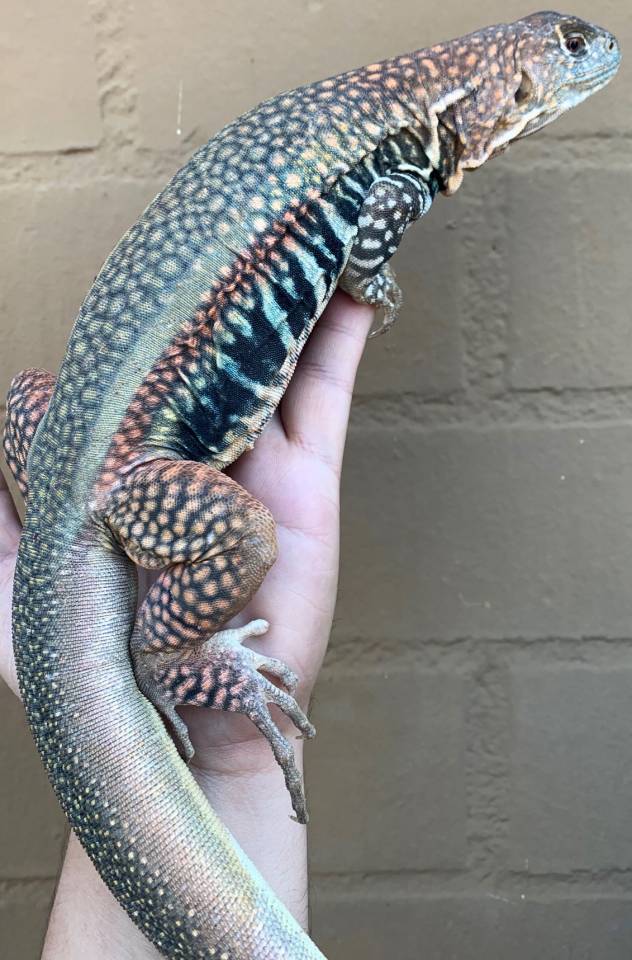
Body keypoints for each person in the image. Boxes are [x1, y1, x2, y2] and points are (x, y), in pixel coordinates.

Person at [0, 292, 374, 958]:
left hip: (83, 458)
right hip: (111, 478)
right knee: (247, 538)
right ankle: (168, 657)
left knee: (27, 392)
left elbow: (30, 395)